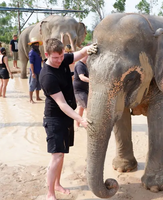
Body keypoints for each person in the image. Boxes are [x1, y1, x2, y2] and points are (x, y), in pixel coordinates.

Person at [39, 38, 97, 200]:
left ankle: (57, 184)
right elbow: (62, 104)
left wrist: (90, 48)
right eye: (55, 58)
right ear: (47, 55)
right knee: (56, 155)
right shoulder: (47, 76)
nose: (59, 61)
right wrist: (81, 119)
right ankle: (50, 193)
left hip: (66, 118)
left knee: (62, 154)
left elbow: (79, 54)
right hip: (54, 119)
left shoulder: (63, 60)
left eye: (61, 56)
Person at [73, 53, 89, 127]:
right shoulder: (80, 65)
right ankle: (88, 125)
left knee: (81, 108)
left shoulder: (84, 65)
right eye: (88, 56)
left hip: (82, 89)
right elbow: (81, 77)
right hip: (80, 90)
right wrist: (92, 81)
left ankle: (77, 125)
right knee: (87, 109)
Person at [28, 37, 43, 103]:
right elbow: (31, 63)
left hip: (39, 70)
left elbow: (40, 61)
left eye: (37, 44)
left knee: (38, 84)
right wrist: (33, 72)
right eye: (35, 44)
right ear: (32, 45)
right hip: (34, 71)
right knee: (32, 84)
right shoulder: (31, 53)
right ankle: (31, 99)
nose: (37, 45)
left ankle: (37, 97)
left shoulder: (38, 52)